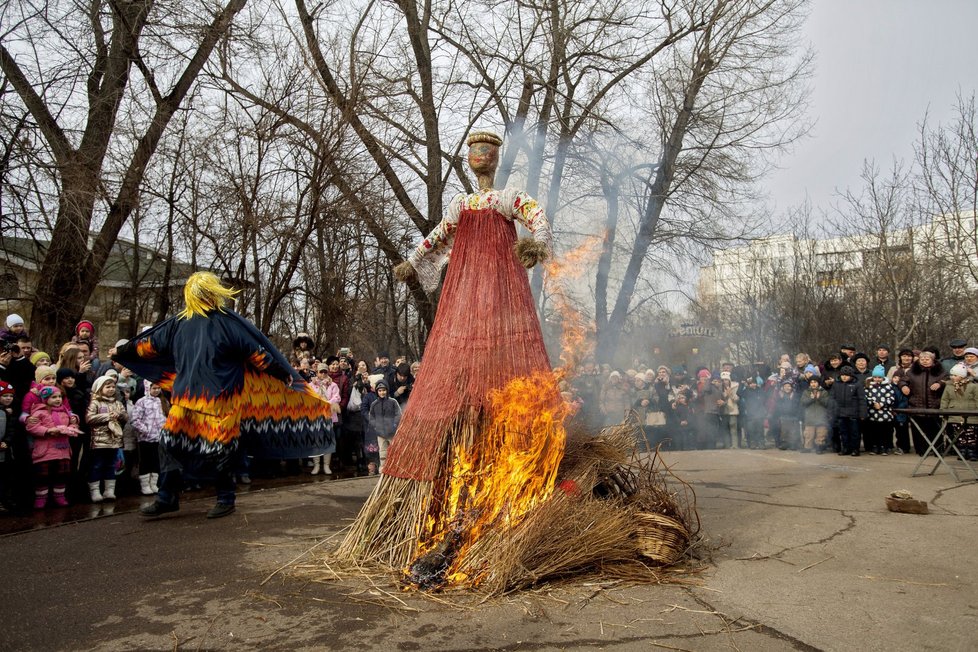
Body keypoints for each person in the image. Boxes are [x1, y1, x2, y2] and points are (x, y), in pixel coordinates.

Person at [340, 130, 556, 569]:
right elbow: (436, 237)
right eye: (476, 151)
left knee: (499, 346)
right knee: (466, 344)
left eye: (487, 151)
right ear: (471, 158)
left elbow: (538, 218)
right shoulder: (461, 204)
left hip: (500, 283)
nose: (481, 157)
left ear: (494, 157)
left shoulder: (507, 198)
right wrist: (413, 263)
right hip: (468, 287)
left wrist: (535, 245)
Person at [112, 272, 334, 519]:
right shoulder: (178, 323)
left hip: (222, 399)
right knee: (170, 443)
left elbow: (256, 352)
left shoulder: (225, 323)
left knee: (221, 449)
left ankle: (225, 498)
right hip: (186, 398)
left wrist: (280, 371)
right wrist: (123, 350)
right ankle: (167, 497)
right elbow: (149, 344)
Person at [26, 386, 81, 508]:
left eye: (60, 397)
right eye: (54, 397)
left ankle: (59, 496)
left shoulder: (65, 412)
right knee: (43, 476)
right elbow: (31, 427)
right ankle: (41, 498)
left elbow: (74, 424)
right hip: (45, 450)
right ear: (45, 399)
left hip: (62, 449)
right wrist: (47, 430)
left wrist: (71, 427)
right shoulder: (39, 412)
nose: (58, 400)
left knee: (61, 474)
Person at [897, 350, 946, 456]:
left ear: (933, 360)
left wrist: (940, 384)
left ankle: (938, 449)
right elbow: (902, 380)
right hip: (916, 405)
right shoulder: (912, 372)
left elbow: (947, 380)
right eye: (922, 359)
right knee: (918, 430)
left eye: (927, 359)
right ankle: (921, 450)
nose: (924, 361)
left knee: (935, 429)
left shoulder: (940, 371)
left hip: (934, 405)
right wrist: (904, 386)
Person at [85, 375, 127, 502]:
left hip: (114, 441)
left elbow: (125, 417)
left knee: (111, 465)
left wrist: (119, 415)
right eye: (107, 387)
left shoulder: (118, 403)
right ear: (99, 388)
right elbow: (89, 418)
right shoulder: (95, 403)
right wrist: (107, 416)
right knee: (97, 465)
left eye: (113, 387)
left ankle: (109, 490)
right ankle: (95, 491)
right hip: (99, 441)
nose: (111, 389)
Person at [129, 382, 168, 495]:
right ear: (148, 388)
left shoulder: (163, 401)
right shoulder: (141, 402)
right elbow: (135, 420)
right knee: (146, 461)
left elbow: (167, 418)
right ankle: (145, 485)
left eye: (158, 388)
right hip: (145, 438)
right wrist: (145, 430)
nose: (156, 390)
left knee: (156, 461)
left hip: (159, 437)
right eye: (154, 388)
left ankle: (154, 483)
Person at [940, 364, 978, 461]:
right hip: (955, 413)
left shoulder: (973, 386)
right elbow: (945, 400)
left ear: (962, 376)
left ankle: (972, 452)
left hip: (971, 413)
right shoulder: (949, 387)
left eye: (955, 375)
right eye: (951, 375)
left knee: (971, 434)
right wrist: (942, 412)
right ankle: (962, 451)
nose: (952, 377)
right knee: (959, 434)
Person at [309, 363, 340, 476]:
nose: (323, 374)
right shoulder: (311, 385)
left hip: (329, 416)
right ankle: (316, 465)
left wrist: (327, 403)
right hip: (315, 416)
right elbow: (308, 397)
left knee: (328, 440)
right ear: (317, 372)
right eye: (320, 372)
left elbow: (337, 397)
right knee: (316, 441)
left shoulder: (333, 385)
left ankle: (326, 465)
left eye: (325, 372)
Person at [365, 380, 401, 473]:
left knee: (394, 450)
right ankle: (383, 468)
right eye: (380, 390)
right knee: (382, 451)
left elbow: (398, 414)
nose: (382, 392)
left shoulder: (393, 402)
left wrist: (394, 425)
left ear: (387, 390)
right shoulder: (374, 404)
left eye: (384, 390)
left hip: (392, 432)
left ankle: (396, 467)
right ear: (377, 392)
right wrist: (376, 426)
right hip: (380, 433)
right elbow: (371, 417)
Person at [829, 366, 866, 455]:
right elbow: (832, 398)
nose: (844, 377)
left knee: (854, 432)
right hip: (840, 413)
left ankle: (855, 449)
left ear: (851, 376)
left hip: (853, 413)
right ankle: (845, 448)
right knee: (843, 432)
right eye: (843, 375)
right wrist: (831, 411)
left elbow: (862, 399)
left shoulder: (857, 384)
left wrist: (863, 413)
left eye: (846, 375)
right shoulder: (836, 384)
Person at [863, 365, 895, 455]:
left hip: (885, 414)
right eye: (875, 377)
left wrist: (881, 404)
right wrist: (873, 403)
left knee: (885, 432)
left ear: (883, 377)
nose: (877, 379)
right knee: (874, 431)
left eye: (879, 377)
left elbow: (891, 398)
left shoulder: (888, 386)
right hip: (873, 413)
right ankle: (875, 446)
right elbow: (866, 397)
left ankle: (884, 447)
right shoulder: (869, 386)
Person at [801, 377, 832, 453]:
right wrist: (811, 399)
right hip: (809, 417)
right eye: (811, 382)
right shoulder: (806, 392)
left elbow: (827, 403)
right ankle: (807, 447)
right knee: (808, 434)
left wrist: (819, 398)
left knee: (821, 434)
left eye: (815, 382)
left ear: (818, 383)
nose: (813, 384)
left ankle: (819, 447)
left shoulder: (824, 392)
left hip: (821, 417)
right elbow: (803, 402)